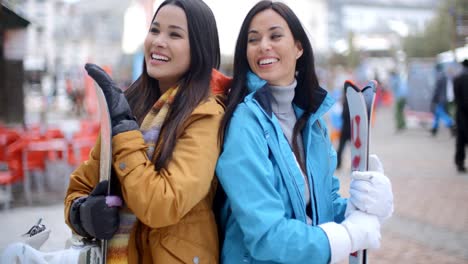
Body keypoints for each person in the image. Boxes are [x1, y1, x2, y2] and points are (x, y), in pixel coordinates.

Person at [215, 1, 394, 263]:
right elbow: (266, 237)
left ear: (299, 47)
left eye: (275, 36)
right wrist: (347, 236)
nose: (264, 45)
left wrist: (365, 205)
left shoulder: (313, 121)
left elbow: (323, 206)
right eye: (253, 40)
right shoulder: (245, 123)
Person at [64, 0, 231, 263]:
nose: (159, 41)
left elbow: (162, 205)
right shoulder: (131, 104)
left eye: (174, 34)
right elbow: (81, 186)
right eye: (155, 30)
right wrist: (83, 214)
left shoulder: (207, 114)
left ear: (199, 48)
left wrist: (124, 130)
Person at [431, 64, 455, 136]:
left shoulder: (440, 77)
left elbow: (437, 91)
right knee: (437, 114)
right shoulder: (444, 77)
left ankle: (451, 124)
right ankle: (434, 129)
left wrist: (434, 100)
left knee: (441, 113)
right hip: (444, 99)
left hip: (440, 100)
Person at [453, 59, 468, 173]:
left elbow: (456, 98)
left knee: (460, 139)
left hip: (460, 113)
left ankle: (459, 162)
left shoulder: (457, 78)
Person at [336, 94, 350, 169]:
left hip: (345, 129)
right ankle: (355, 165)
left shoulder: (345, 103)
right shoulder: (355, 104)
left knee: (341, 148)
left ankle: (338, 164)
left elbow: (342, 116)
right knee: (354, 150)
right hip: (351, 130)